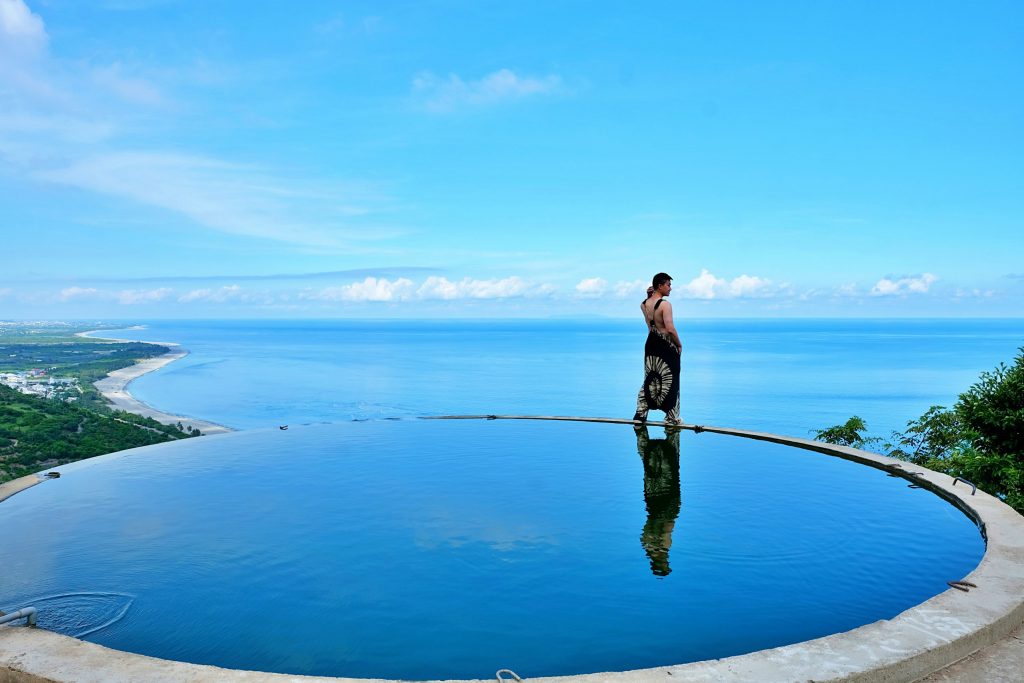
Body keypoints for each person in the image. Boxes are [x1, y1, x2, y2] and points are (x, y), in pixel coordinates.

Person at [633, 272, 682, 426]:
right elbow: (670, 329)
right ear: (659, 286)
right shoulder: (665, 305)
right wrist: (679, 344)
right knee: (671, 379)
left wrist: (649, 296)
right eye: (668, 285)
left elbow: (650, 326)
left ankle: (640, 414)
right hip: (665, 346)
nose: (670, 288)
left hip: (651, 345)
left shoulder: (643, 304)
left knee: (651, 378)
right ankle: (671, 417)